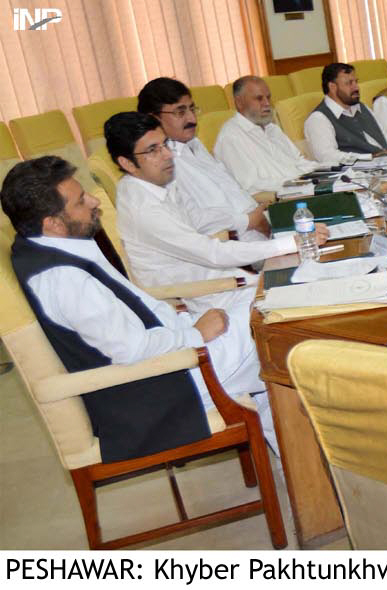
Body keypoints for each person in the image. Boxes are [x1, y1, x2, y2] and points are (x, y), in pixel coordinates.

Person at [2, 155, 272, 460]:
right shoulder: (63, 278)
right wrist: (195, 333)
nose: (93, 201)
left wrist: (182, 322)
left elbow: (130, 309)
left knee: (263, 302)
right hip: (160, 388)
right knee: (272, 328)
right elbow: (130, 349)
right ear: (51, 223)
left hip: (164, 361)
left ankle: (298, 459)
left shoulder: (51, 246)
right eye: (80, 201)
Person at [108, 111, 327, 314]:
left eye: (165, 144)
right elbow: (210, 253)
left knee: (317, 281)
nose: (167, 155)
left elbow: (199, 219)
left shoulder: (156, 182)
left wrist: (247, 220)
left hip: (223, 280)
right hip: (203, 298)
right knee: (311, 299)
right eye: (153, 150)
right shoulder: (143, 210)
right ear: (127, 163)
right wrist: (294, 242)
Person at [135, 77, 271, 238]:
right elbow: (194, 222)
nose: (192, 119)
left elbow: (231, 192)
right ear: (154, 118)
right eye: (180, 112)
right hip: (238, 244)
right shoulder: (161, 165)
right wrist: (249, 221)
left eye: (192, 109)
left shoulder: (195, 144)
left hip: (261, 228)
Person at [214, 76, 320, 195]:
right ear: (239, 102)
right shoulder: (230, 137)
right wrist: (298, 183)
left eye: (268, 97)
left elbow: (299, 162)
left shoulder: (272, 128)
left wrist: (327, 171)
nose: (267, 103)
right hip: (279, 199)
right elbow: (251, 186)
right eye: (259, 98)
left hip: (303, 188)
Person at [303, 62, 387, 164]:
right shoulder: (318, 119)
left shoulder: (361, 107)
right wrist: (369, 157)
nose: (356, 88)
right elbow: (328, 157)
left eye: (356, 82)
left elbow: (386, 136)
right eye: (349, 83)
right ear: (332, 87)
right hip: (361, 175)